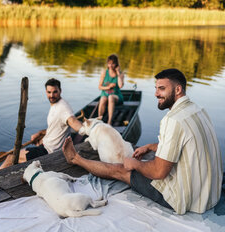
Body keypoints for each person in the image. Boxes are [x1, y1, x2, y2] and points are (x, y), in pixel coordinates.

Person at [62, 68, 223, 215]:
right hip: (209, 193)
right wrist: (151, 146)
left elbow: (159, 172)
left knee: (122, 169)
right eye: (156, 88)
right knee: (146, 159)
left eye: (162, 89)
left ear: (178, 89)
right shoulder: (198, 110)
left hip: (186, 199)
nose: (156, 94)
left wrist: (134, 164)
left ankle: (75, 158)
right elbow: (188, 145)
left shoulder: (173, 120)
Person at [0, 78, 82, 169]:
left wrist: (89, 130)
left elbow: (73, 122)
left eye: (55, 92)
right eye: (49, 92)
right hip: (46, 146)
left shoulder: (63, 108)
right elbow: (56, 127)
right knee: (19, 155)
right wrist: (41, 133)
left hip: (48, 152)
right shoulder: (56, 105)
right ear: (46, 91)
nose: (52, 95)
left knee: (10, 158)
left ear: (60, 91)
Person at [98, 54, 124, 125]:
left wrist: (118, 73)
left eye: (113, 64)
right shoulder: (104, 72)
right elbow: (99, 87)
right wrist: (108, 87)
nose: (111, 66)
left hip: (116, 96)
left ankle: (109, 121)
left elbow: (120, 85)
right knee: (103, 98)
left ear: (116, 64)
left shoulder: (121, 74)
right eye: (109, 64)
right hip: (105, 94)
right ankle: (99, 119)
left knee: (110, 97)